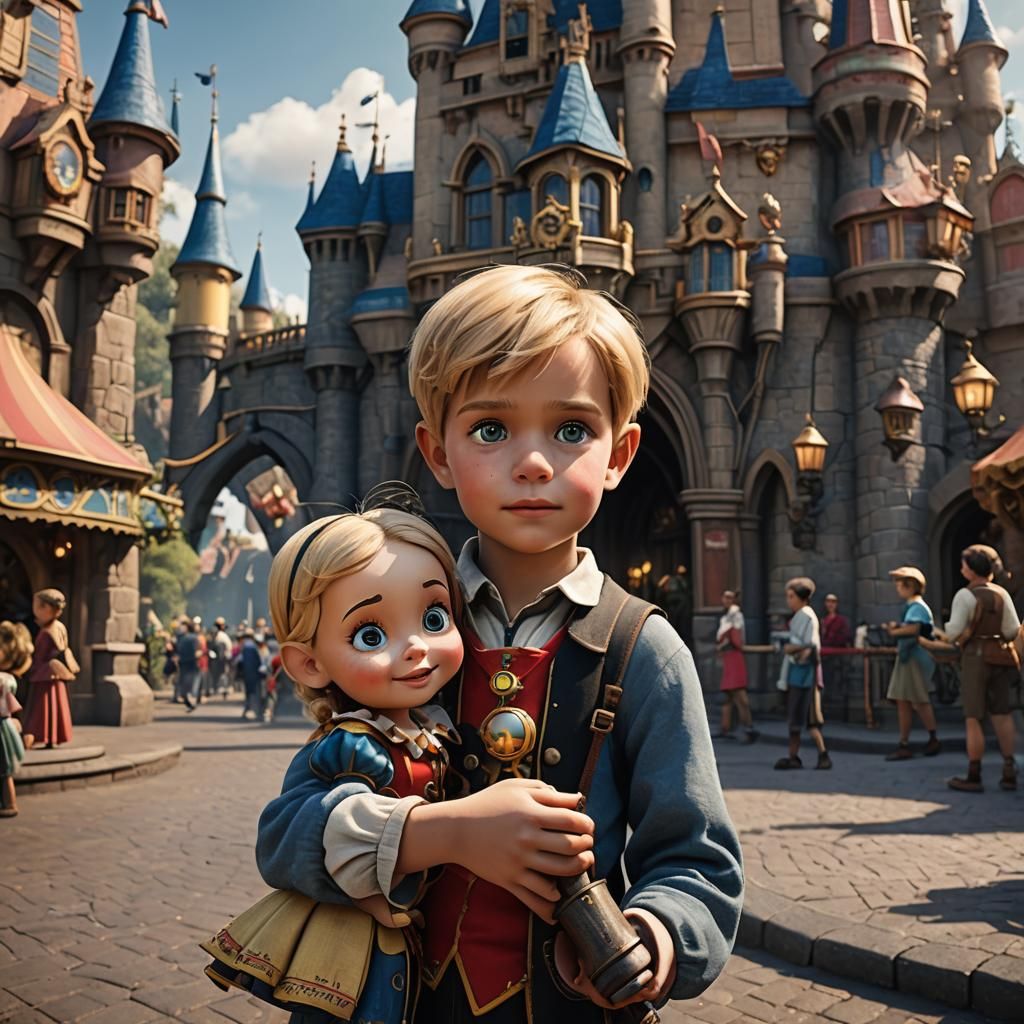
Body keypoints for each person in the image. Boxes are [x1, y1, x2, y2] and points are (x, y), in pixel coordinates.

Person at [257, 264, 743, 1022]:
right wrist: (436, 831)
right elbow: (288, 838)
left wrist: (655, 934)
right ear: (438, 452)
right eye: (491, 428)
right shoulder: (408, 643)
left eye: (572, 429)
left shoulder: (645, 651)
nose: (534, 461)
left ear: (619, 454)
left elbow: (696, 860)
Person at [203, 503, 464, 1021]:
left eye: (434, 617)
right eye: (371, 634)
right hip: (354, 947)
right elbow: (279, 835)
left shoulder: (441, 731)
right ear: (310, 662)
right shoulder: (347, 744)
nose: (416, 647)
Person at [942, 546, 1019, 792]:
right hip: (1000, 656)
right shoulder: (1001, 595)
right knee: (1002, 713)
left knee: (973, 716)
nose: (961, 568)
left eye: (964, 564)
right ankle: (1009, 770)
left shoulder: (965, 596)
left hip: (975, 656)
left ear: (972, 569)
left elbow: (953, 633)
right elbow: (1012, 631)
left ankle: (974, 774)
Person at [883, 567, 940, 760]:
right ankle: (904, 743)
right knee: (904, 701)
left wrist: (894, 631)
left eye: (900, 584)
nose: (898, 588)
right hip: (907, 657)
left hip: (915, 658)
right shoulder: (912, 607)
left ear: (910, 586)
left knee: (919, 699)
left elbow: (914, 628)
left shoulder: (918, 606)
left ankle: (933, 738)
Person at [775, 577, 832, 771]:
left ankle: (823, 754)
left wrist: (793, 649)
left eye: (791, 596)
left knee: (810, 719)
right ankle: (793, 756)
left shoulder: (807, 616)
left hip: (807, 676)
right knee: (794, 719)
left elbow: (811, 646)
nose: (789, 601)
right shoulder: (797, 617)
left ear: (801, 597)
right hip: (795, 674)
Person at [23, 589, 77, 749]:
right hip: (53, 676)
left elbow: (41, 655)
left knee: (43, 708)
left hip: (45, 676)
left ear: (46, 608)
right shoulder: (58, 627)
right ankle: (51, 736)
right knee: (54, 706)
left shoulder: (47, 632)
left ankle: (45, 736)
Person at [715, 589, 757, 743]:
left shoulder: (736, 615)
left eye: (729, 597)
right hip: (728, 658)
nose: (726, 600)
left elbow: (736, 639)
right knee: (728, 697)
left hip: (734, 657)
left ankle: (749, 728)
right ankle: (725, 728)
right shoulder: (726, 617)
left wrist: (722, 645)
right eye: (724, 596)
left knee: (740, 696)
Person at [0, 621, 33, 818]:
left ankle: (10, 804)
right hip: (5, 725)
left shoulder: (3, 679)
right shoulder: (9, 680)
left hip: (1, 728)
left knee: (4, 771)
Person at [820, 593, 852, 694]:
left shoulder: (841, 621)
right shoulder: (822, 620)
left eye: (833, 602)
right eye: (828, 602)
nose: (830, 605)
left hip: (837, 657)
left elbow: (845, 637)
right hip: (823, 656)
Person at [176, 619, 201, 712]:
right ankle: (189, 701)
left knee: (188, 684)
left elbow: (197, 651)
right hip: (186, 664)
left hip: (189, 664)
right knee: (187, 684)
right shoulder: (183, 638)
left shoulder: (189, 638)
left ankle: (190, 701)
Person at [211, 617, 233, 697]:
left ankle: (221, 688)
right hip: (220, 658)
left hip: (221, 658)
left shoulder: (219, 635)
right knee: (222, 673)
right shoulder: (220, 635)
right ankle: (221, 688)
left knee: (222, 673)